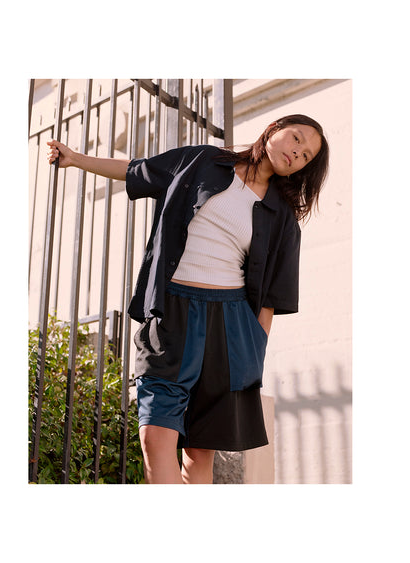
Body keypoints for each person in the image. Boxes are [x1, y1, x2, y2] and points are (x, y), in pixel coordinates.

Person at [48, 114, 329, 483]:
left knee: (199, 452)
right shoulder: (203, 161)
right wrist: (76, 158)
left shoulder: (283, 218)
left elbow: (271, 298)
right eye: (296, 138)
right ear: (273, 130)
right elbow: (139, 170)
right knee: (154, 435)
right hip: (172, 312)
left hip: (230, 326)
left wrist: (253, 352)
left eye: (306, 156)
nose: (297, 152)